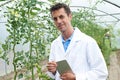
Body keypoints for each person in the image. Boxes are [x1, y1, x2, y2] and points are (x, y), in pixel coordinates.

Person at [47, 3, 108, 80]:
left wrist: (76, 77)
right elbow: (54, 74)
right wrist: (53, 71)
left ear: (70, 16)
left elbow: (101, 72)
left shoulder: (88, 42)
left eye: (61, 17)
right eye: (55, 19)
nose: (58, 21)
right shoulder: (55, 44)